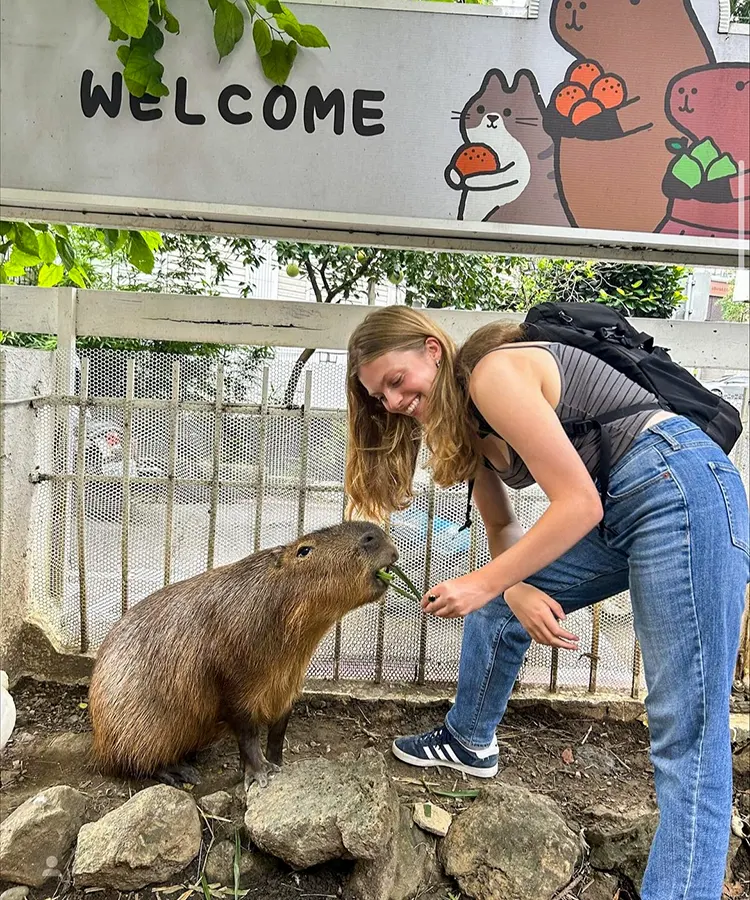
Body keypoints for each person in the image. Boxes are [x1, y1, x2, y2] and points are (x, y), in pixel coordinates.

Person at [345, 304, 749, 900]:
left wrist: (485, 582)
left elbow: (576, 503)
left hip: (677, 488)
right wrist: (512, 587)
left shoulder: (493, 374)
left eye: (397, 380)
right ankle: (468, 740)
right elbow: (503, 531)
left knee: (687, 726)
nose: (396, 402)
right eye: (382, 396)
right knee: (499, 602)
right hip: (623, 507)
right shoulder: (469, 435)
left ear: (433, 350)